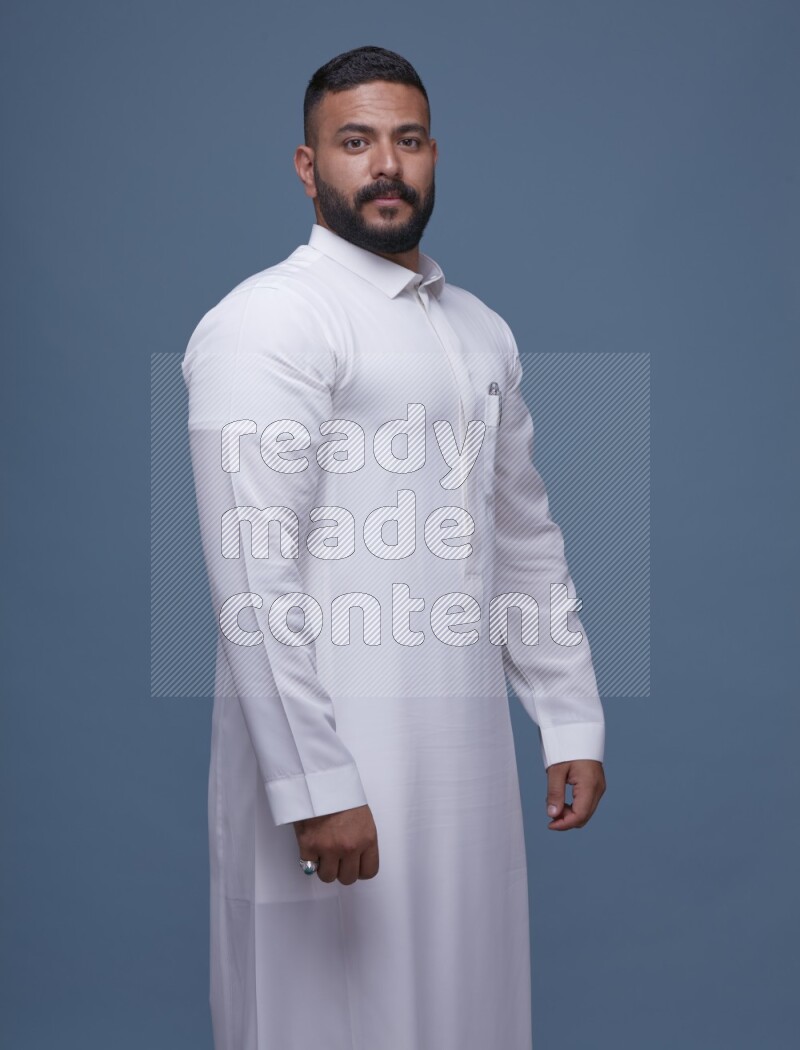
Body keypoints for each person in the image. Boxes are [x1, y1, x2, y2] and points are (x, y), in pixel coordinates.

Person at [182, 44, 606, 1050]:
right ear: (306, 164)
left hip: (461, 770)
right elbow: (251, 570)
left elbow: (520, 533)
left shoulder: (478, 332)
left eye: (405, 141)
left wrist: (568, 715)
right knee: (324, 1023)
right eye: (354, 142)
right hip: (333, 771)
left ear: (432, 154)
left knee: (467, 1012)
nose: (384, 166)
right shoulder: (268, 323)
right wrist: (315, 785)